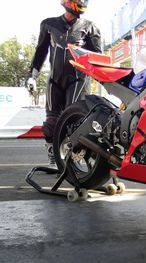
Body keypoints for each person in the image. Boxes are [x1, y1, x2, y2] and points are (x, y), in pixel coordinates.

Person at [25, 0, 102, 167]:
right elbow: (40, 51)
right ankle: (54, 154)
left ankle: (74, 157)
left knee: (73, 121)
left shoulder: (90, 26)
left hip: (78, 80)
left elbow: (98, 57)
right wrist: (32, 75)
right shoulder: (48, 24)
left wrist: (104, 79)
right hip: (55, 79)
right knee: (51, 123)